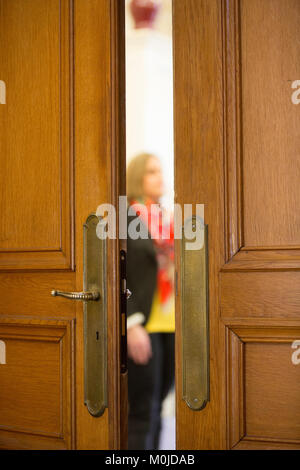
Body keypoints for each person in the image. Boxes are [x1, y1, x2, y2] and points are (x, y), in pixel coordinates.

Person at [126, 153, 175, 450]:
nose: (160, 177)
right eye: (152, 171)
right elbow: (118, 273)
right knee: (143, 409)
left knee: (158, 405)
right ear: (137, 177)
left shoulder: (167, 217)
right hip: (143, 322)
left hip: (171, 321)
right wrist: (131, 323)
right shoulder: (127, 215)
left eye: (160, 170)